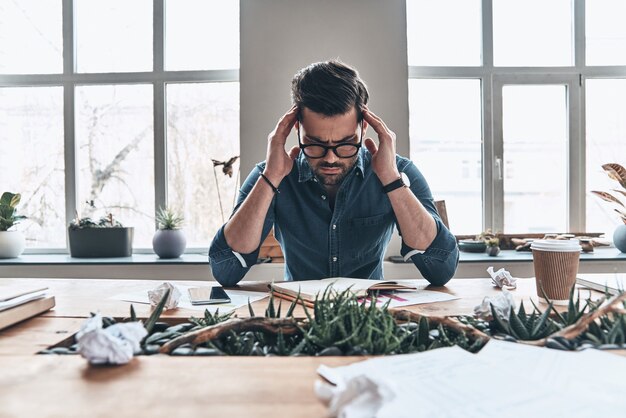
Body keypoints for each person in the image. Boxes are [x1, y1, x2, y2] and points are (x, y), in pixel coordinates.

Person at [209, 60, 459, 287]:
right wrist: (271, 177)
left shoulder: (398, 172)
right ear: (297, 128)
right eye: (315, 143)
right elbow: (225, 270)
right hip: (298, 318)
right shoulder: (270, 175)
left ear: (364, 126)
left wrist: (391, 181)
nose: (331, 158)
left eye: (346, 143)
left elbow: (441, 269)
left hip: (370, 320)